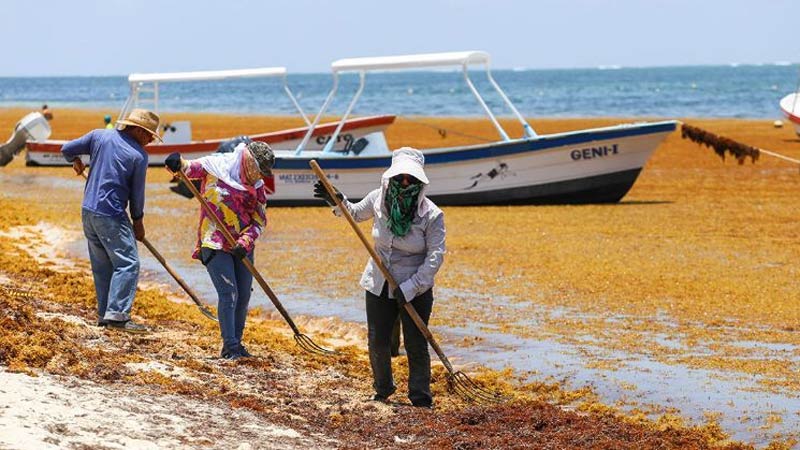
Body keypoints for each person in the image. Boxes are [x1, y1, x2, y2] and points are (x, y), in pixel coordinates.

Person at [313, 147, 446, 408]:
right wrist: (336, 200)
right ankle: (383, 389)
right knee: (378, 340)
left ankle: (420, 397)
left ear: (420, 181)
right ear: (390, 177)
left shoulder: (431, 214)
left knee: (416, 342)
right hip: (378, 281)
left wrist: (411, 287)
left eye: (411, 178)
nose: (405, 183)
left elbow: (435, 257)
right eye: (400, 177)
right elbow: (353, 214)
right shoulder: (378, 199)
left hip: (415, 286)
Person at [165, 141, 274, 360]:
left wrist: (245, 241)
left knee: (243, 296)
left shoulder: (258, 186)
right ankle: (230, 347)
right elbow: (186, 169)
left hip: (242, 247)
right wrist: (176, 162)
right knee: (228, 293)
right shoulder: (215, 167)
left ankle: (238, 343)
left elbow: (259, 221)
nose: (258, 176)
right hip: (214, 241)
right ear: (248, 162)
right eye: (257, 170)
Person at [61, 108, 160, 333]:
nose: (151, 139)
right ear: (136, 129)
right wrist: (138, 222)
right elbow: (137, 195)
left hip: (88, 212)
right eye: (148, 134)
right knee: (128, 263)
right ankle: (117, 316)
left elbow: (66, 149)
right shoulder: (138, 156)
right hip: (110, 214)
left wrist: (74, 160)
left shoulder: (99, 136)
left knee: (103, 266)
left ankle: (104, 315)